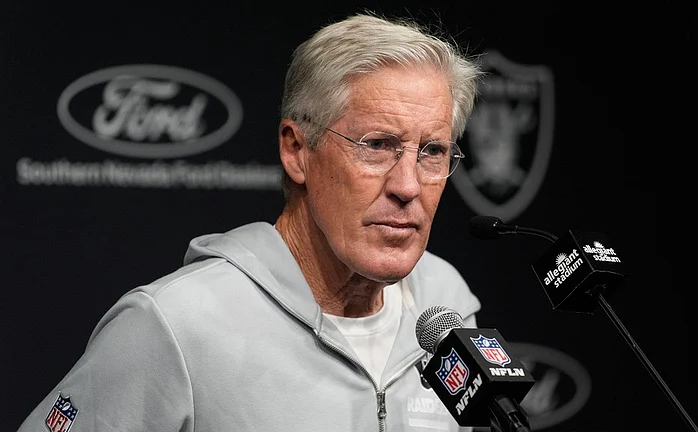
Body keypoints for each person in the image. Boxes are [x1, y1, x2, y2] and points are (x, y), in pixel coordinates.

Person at [17, 11, 484, 432]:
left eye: (432, 151)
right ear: (296, 151)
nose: (407, 185)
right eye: (377, 145)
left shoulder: (446, 305)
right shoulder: (175, 324)